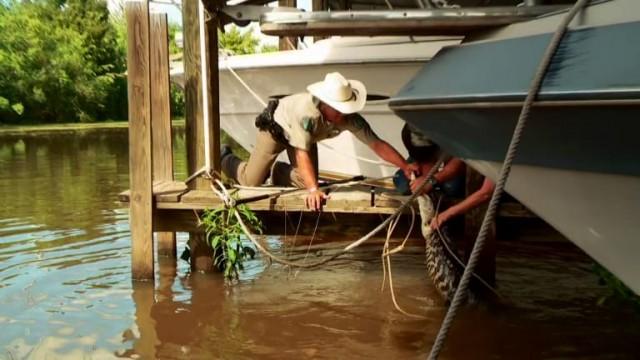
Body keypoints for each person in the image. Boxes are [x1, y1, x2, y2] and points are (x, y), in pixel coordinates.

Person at [221, 72, 419, 211]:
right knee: (251, 182)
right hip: (277, 127)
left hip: (304, 139)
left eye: (346, 108)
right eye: (339, 109)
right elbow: (302, 152)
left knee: (306, 182)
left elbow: (376, 144)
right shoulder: (306, 114)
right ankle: (225, 157)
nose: (344, 114)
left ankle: (277, 171)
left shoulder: (350, 118)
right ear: (325, 104)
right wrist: (313, 190)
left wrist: (405, 165)